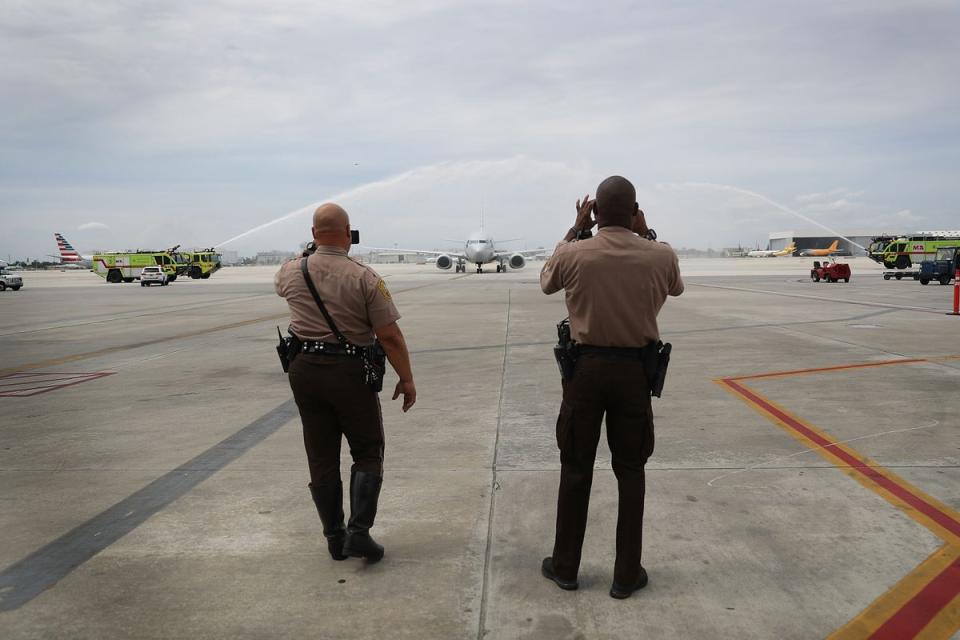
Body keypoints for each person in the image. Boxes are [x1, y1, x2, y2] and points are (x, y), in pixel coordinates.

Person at [539, 176, 683, 599]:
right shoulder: (660, 255)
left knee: (576, 467)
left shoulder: (573, 252)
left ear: (595, 211)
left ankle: (565, 566)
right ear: (636, 210)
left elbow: (547, 281)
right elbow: (676, 286)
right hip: (634, 374)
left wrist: (575, 229)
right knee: (631, 470)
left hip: (585, 372)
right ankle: (626, 574)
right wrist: (646, 234)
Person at [275, 203, 417, 564]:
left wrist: (305, 254)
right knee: (368, 450)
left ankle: (334, 538)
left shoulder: (292, 271)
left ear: (312, 234)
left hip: (304, 370)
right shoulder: (364, 276)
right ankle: (359, 532)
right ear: (348, 232)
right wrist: (407, 378)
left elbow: (280, 285)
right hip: (350, 371)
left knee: (320, 452)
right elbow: (390, 335)